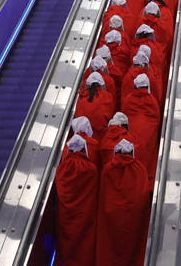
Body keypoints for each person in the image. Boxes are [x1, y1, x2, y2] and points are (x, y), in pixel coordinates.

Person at [96, 139, 150, 266]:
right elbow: (143, 195)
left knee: (110, 248)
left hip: (110, 219)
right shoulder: (140, 168)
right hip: (133, 220)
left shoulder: (108, 169)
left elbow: (103, 194)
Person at [55, 134, 99, 266]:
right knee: (85, 245)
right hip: (86, 215)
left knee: (68, 245)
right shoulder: (91, 169)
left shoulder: (61, 169)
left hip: (66, 216)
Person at [121, 74, 161, 182]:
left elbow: (124, 117)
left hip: (133, 137)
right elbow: (156, 118)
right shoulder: (152, 101)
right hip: (148, 138)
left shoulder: (128, 99)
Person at [76, 72, 115, 140]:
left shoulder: (81, 97)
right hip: (100, 135)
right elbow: (110, 115)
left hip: (82, 135)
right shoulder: (107, 97)